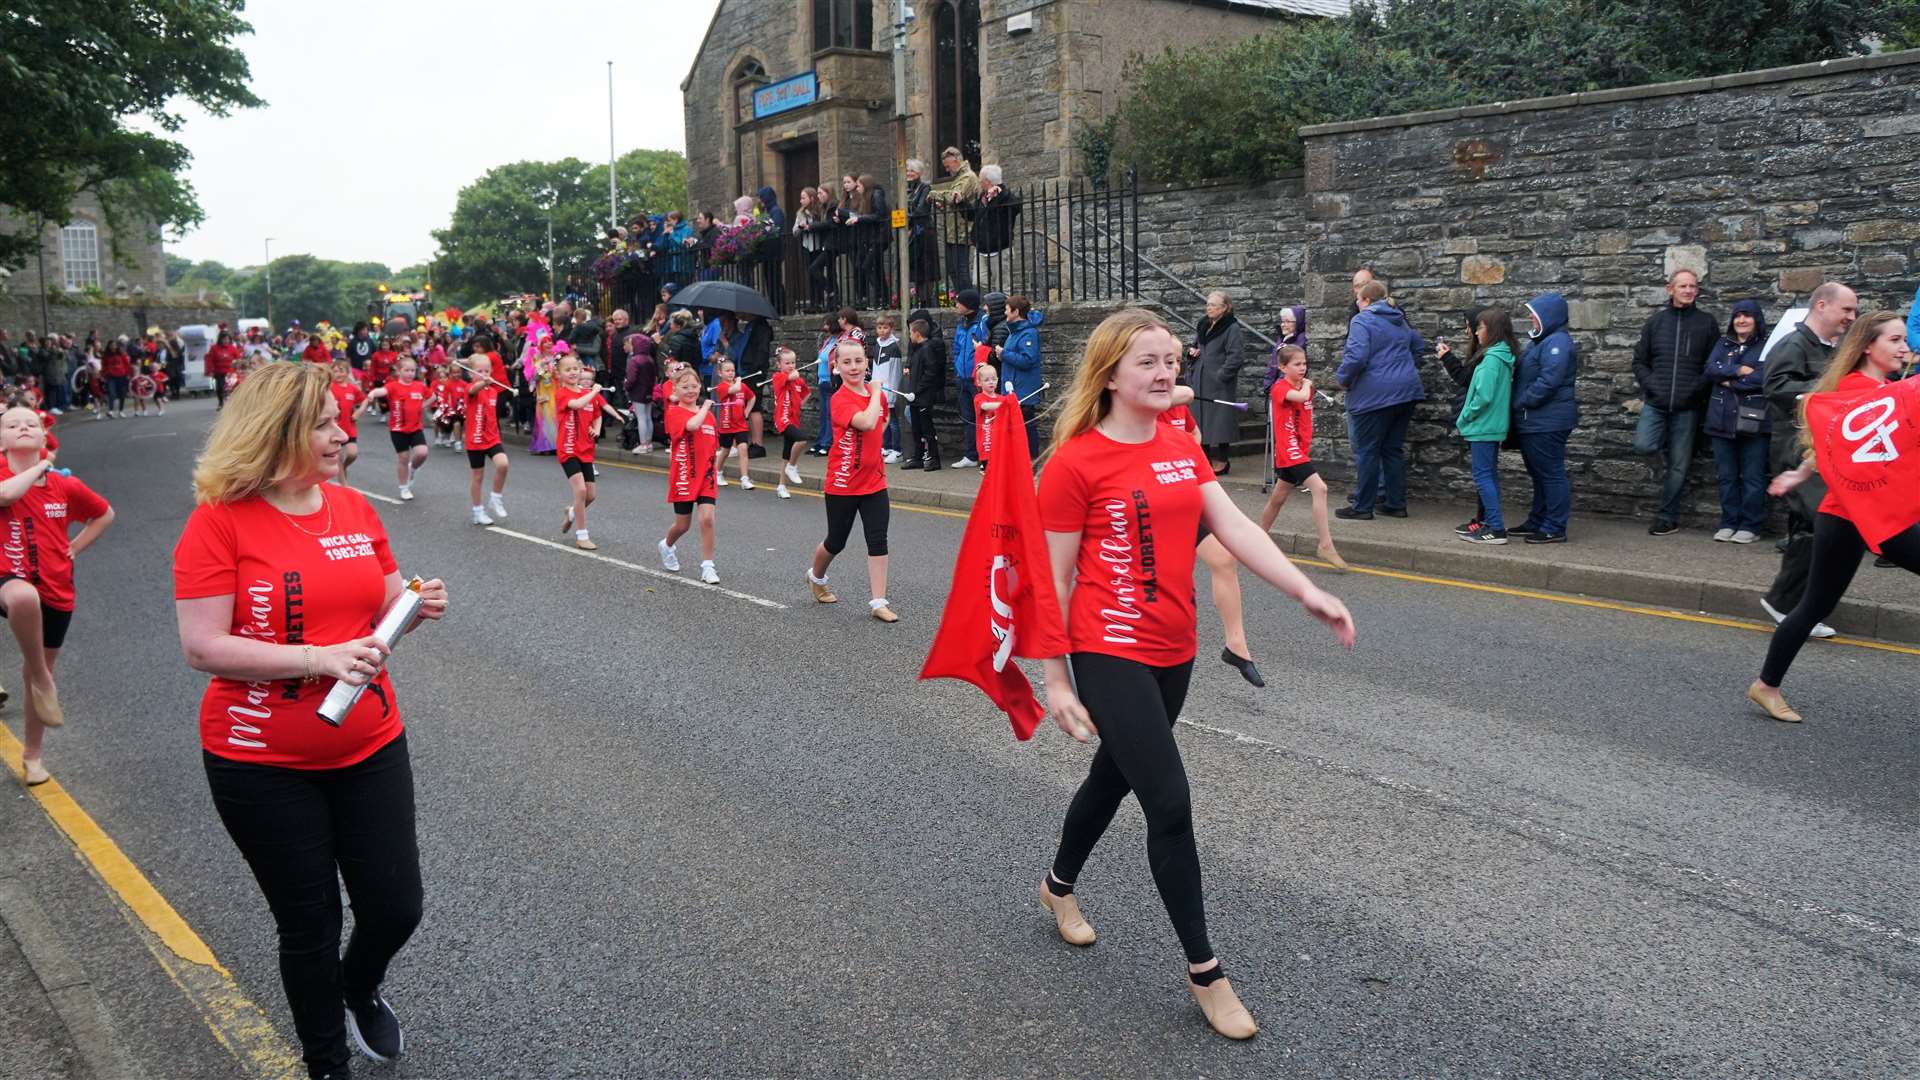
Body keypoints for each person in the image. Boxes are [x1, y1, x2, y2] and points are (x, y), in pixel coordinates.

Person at [1034, 308, 1354, 1041]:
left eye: (1172, 360)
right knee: (1170, 804)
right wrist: (1055, 678)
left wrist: (1306, 591)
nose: (1166, 372)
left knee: (1114, 778)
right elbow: (1050, 583)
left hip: (1174, 648)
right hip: (1106, 650)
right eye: (1148, 361)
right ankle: (1206, 971)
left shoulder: (1180, 445)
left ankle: (1056, 888)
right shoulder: (1076, 463)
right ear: (1110, 373)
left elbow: (1236, 527)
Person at [171, 363, 449, 1080]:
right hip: (259, 759)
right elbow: (203, 646)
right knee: (310, 925)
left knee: (395, 907)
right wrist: (315, 658)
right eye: (324, 422)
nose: (342, 433)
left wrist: (414, 608)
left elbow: (381, 618)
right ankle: (325, 1064)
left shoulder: (355, 508)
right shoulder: (219, 523)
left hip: (370, 740)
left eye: (340, 418)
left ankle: (359, 986)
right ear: (280, 431)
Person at [1748, 312, 1918, 722]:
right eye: (1894, 339)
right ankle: (1766, 686)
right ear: (1867, 347)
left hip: (1877, 511)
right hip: (1851, 515)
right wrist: (1802, 471)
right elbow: (1834, 434)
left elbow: (1845, 446)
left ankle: (1765, 685)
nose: (1903, 346)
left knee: (1813, 606)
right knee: (1812, 606)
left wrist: (1801, 472)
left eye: (1903, 339)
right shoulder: (1860, 391)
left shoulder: (1889, 391)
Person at [0, 408, 113, 787]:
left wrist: (76, 547)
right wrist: (42, 465)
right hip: (8, 576)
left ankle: (33, 755)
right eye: (12, 424)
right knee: (22, 598)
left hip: (56, 584)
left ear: (44, 434)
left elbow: (104, 514)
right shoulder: (5, 474)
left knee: (36, 660)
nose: (22, 427)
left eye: (31, 423)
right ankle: (43, 679)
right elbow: (5, 495)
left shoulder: (65, 486)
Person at [1761, 282, 1858, 635]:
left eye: (1854, 311)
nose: (1852, 317)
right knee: (1819, 522)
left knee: (1810, 527)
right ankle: (1786, 604)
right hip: (1795, 448)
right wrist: (1822, 400)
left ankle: (1797, 605)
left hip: (1821, 449)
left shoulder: (1835, 349)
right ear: (1821, 305)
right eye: (1847, 310)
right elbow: (1775, 388)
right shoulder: (1793, 344)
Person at [808, 339, 896, 622]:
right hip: (843, 485)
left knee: (878, 539)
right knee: (836, 541)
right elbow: (868, 422)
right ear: (836, 367)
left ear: (866, 362)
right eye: (846, 362)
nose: (854, 367)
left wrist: (871, 457)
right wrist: (875, 392)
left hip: (875, 482)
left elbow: (881, 425)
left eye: (858, 361)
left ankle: (879, 601)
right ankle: (816, 577)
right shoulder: (840, 400)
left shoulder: (876, 397)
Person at [1632, 269, 1719, 535]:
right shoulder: (1656, 322)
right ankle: (1663, 469)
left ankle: (1667, 517)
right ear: (1671, 289)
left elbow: (1712, 365)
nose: (1688, 290)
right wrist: (1653, 386)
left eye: (1693, 286)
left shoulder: (1707, 322)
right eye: (1683, 286)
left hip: (1688, 407)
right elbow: (1639, 361)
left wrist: (1694, 391)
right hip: (1656, 402)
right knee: (1644, 445)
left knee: (1680, 466)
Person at [1334, 281, 1425, 517]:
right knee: (1392, 450)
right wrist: (1404, 369)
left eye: (1358, 299)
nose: (1356, 302)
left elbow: (1356, 356)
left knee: (1367, 451)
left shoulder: (1362, 320)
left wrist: (1342, 379)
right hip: (1407, 392)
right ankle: (1396, 504)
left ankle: (1363, 507)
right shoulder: (1399, 318)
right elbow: (1418, 346)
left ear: (1366, 301)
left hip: (1374, 395)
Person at [1257, 345, 1346, 569]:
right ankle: (1326, 545)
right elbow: (1301, 396)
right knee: (1320, 488)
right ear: (1282, 367)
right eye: (1297, 364)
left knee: (1277, 498)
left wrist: (1307, 386)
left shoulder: (1305, 387)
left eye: (1304, 364)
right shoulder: (1280, 388)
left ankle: (1255, 539)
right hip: (1289, 450)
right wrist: (1307, 385)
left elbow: (1305, 407)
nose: (1302, 368)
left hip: (1299, 449)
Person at [1510, 292, 1579, 544]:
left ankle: (1554, 526)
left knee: (1550, 473)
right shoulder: (1543, 341)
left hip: (1547, 421)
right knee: (1539, 473)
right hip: (1536, 420)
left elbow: (1549, 381)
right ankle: (1537, 520)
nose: (1530, 317)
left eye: (1534, 313)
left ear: (1548, 316)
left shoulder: (1557, 343)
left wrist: (1520, 401)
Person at [1702, 299, 1772, 544]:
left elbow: (1763, 378)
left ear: (1756, 320)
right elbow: (1710, 369)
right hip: (1720, 420)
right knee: (1727, 476)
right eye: (1737, 316)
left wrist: (1728, 377)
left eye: (1747, 316)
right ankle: (1728, 522)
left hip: (1754, 421)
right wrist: (1739, 370)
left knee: (1753, 476)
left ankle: (1751, 525)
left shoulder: (1766, 346)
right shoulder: (1723, 343)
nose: (1741, 320)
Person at [1453, 309, 1519, 545]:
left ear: (1491, 331)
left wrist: (1465, 417)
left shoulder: (1491, 359)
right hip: (1490, 426)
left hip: (1483, 426)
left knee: (1483, 477)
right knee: (1488, 476)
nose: (1477, 332)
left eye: (1480, 327)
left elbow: (1483, 397)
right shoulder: (1500, 356)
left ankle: (1496, 529)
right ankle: (1490, 524)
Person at [555, 355, 624, 551]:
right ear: (560, 374)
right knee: (581, 490)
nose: (572, 373)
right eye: (567, 370)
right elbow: (576, 405)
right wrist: (594, 392)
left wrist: (596, 427)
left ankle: (571, 513)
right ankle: (581, 535)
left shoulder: (587, 394)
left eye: (575, 369)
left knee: (591, 495)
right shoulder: (563, 394)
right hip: (568, 449)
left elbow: (596, 414)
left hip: (586, 449)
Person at [660, 367, 721, 583]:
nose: (691, 390)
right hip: (684, 477)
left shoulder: (710, 418)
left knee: (707, 519)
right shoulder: (675, 412)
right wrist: (705, 407)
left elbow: (714, 445)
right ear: (675, 389)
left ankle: (708, 567)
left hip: (706, 477)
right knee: (682, 525)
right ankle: (667, 545)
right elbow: (693, 425)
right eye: (685, 386)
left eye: (694, 386)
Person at [1185, 291, 1248, 474]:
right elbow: (1196, 346)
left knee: (1221, 422)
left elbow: (1236, 356)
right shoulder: (1204, 324)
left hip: (1219, 383)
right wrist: (1192, 353)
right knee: (1200, 420)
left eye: (1213, 305)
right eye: (1208, 304)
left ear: (1225, 308)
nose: (1209, 308)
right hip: (1200, 379)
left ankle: (1222, 460)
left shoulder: (1231, 327)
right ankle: (1204, 459)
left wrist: (1221, 376)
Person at [362, 358, 430, 501]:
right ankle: (403, 488)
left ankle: (413, 468)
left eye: (413, 370)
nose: (410, 373)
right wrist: (373, 393)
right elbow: (382, 390)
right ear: (398, 371)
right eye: (406, 370)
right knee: (403, 458)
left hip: (415, 427)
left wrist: (422, 406)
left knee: (422, 452)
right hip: (398, 429)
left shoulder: (419, 386)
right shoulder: (393, 386)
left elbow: (433, 396)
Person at [462, 358, 510, 526]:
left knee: (503, 464)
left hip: (492, 438)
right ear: (470, 373)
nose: (484, 375)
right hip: (475, 440)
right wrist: (482, 383)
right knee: (478, 476)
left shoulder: (493, 392)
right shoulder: (471, 389)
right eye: (480, 372)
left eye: (487, 371)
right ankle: (478, 511)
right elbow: (474, 389)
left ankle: (495, 498)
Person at [928, 146, 981, 292]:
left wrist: (933, 194)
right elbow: (955, 203)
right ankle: (961, 299)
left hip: (962, 231)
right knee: (952, 269)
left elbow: (955, 197)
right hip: (952, 230)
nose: (947, 170)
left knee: (960, 269)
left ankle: (969, 301)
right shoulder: (959, 178)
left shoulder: (968, 177)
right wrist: (942, 207)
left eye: (948, 165)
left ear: (957, 160)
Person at [999, 295, 1045, 454]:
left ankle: (1032, 461)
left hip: (1023, 390)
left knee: (1027, 427)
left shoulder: (1028, 333)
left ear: (1016, 311)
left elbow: (1027, 360)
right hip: (1014, 388)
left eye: (1007, 309)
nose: (1005, 313)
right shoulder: (1015, 331)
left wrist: (1004, 354)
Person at [902, 315, 946, 471]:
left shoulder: (927, 349)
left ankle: (934, 459)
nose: (910, 336)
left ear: (917, 334)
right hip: (915, 396)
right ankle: (917, 457)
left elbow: (931, 372)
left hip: (923, 396)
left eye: (910, 333)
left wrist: (918, 389)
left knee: (927, 429)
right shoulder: (917, 350)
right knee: (916, 429)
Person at [949, 290, 987, 467]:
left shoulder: (981, 323)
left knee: (983, 418)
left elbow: (984, 348)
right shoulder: (961, 323)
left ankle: (984, 455)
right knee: (967, 417)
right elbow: (956, 347)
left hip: (976, 378)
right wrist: (957, 366)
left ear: (968, 305)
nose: (956, 305)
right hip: (962, 377)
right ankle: (971, 455)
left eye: (959, 302)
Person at [767, 347, 810, 498]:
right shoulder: (778, 377)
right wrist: (793, 375)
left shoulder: (799, 380)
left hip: (794, 420)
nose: (791, 366)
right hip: (783, 420)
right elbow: (790, 378)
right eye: (787, 363)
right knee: (802, 439)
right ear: (779, 365)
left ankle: (781, 486)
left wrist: (798, 405)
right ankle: (792, 467)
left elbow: (806, 392)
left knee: (786, 453)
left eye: (793, 362)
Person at [710, 359, 756, 490]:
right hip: (726, 425)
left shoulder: (741, 385)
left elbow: (752, 397)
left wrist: (747, 411)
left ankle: (745, 478)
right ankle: (717, 473)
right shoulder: (722, 386)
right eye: (727, 371)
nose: (731, 373)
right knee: (725, 450)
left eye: (733, 370)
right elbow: (735, 389)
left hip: (740, 424)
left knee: (743, 448)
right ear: (720, 373)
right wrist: (739, 381)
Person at [872, 315, 904, 463]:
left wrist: (892, 391)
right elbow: (875, 368)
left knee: (892, 421)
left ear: (891, 329)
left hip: (889, 389)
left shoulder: (893, 347)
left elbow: (896, 372)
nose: (882, 331)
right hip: (878, 389)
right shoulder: (877, 344)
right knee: (882, 419)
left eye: (885, 328)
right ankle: (886, 446)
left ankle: (897, 450)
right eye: (879, 328)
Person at [328, 361, 365, 487]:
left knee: (352, 454)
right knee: (337, 457)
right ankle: (345, 486)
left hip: (349, 427)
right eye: (335, 371)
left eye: (341, 371)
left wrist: (358, 412)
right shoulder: (329, 388)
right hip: (334, 428)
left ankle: (343, 468)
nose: (338, 374)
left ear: (347, 373)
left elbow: (365, 400)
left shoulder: (352, 389)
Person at [622, 331, 659, 454]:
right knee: (648, 417)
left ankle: (643, 444)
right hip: (648, 390)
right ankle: (648, 443)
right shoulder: (649, 359)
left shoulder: (635, 360)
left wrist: (626, 386)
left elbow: (631, 378)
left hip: (637, 391)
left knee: (641, 418)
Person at [1261, 306, 1308, 395]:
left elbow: (1289, 368)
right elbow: (1273, 364)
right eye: (1283, 321)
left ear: (1298, 323)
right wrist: (1268, 386)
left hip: (1288, 391)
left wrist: (1278, 388)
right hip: (1277, 389)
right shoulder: (1282, 339)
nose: (1283, 325)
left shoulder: (1300, 340)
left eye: (1288, 322)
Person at [970, 362, 1002, 471]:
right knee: (989, 472)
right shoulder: (979, 398)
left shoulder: (1001, 398)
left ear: (998, 380)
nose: (991, 382)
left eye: (993, 379)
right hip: (986, 443)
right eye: (987, 380)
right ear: (979, 382)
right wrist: (1005, 405)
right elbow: (985, 406)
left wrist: (1012, 405)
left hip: (999, 442)